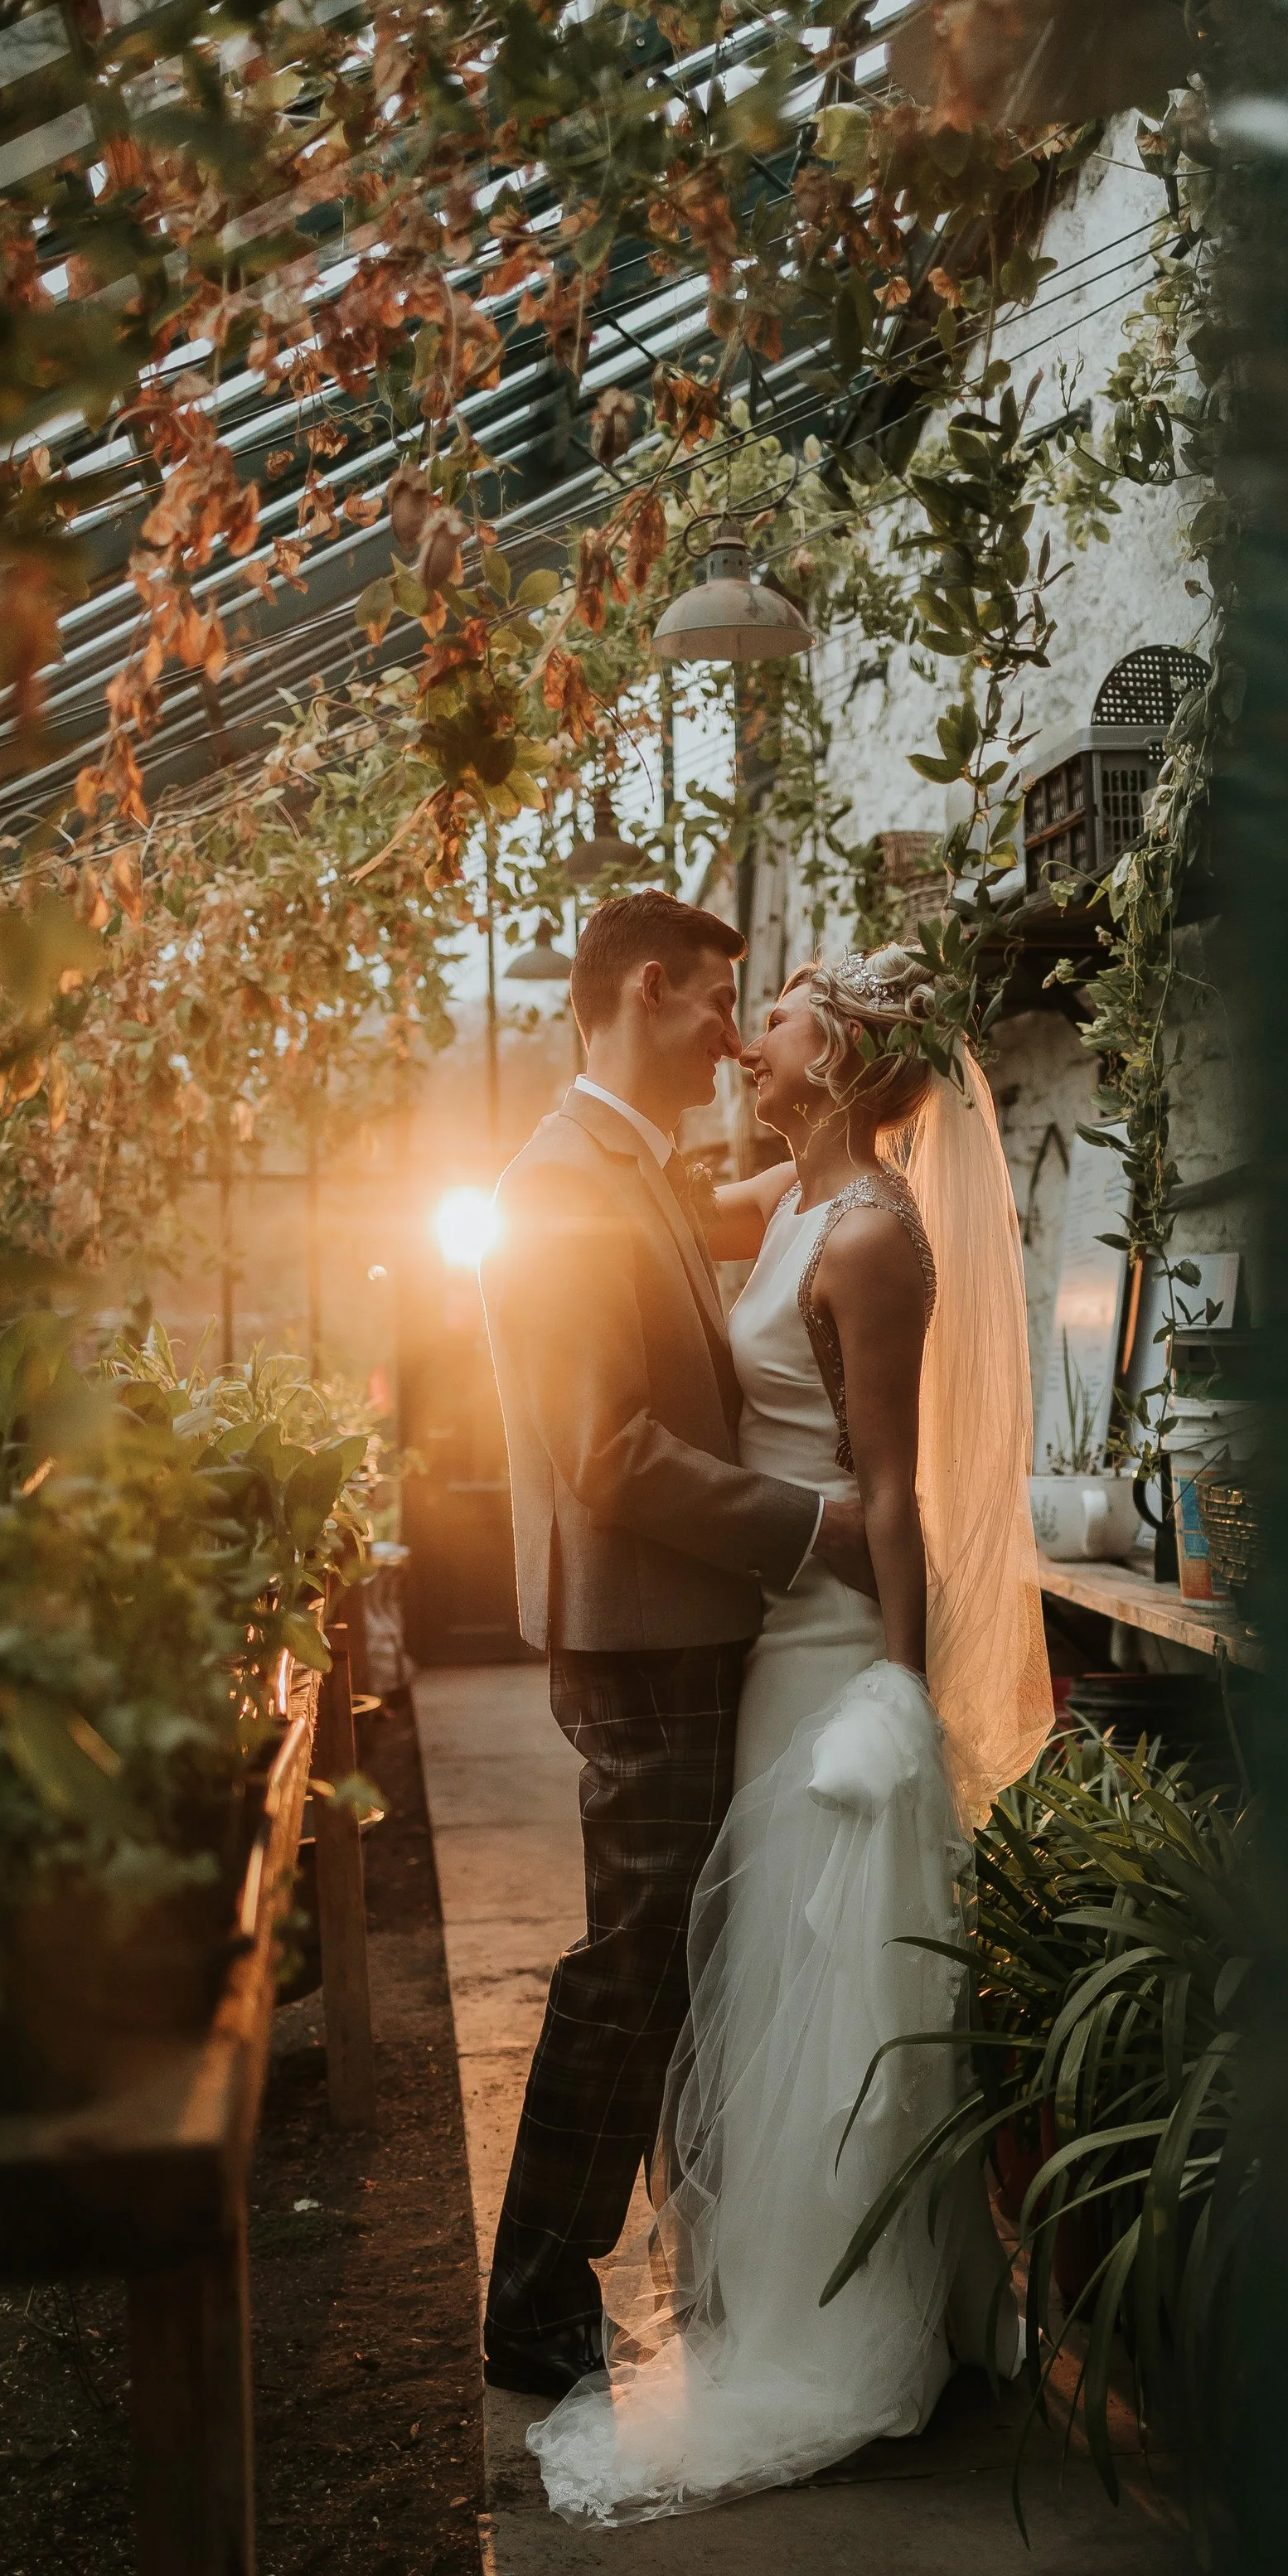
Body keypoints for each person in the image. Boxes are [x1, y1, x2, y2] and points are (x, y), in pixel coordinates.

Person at [525, 940, 1053, 2521]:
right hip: (761, 1643)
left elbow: (893, 1490)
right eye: (735, 1007)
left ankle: (857, 2308)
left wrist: (902, 1688)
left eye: (775, 1018)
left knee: (834, 1983)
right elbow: (644, 1218)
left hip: (832, 1655)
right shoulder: (791, 1201)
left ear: (834, 1064)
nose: (748, 1036)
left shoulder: (877, 1232)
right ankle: (767, 2280)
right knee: (757, 1976)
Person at [477, 890, 880, 2399]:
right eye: (720, 1003)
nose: (730, 1037)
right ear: (649, 989)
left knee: (676, 1957)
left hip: (678, 1622)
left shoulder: (626, 1163)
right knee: (631, 1962)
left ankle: (684, 2257)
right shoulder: (559, 1182)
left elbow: (751, 1226)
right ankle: (533, 2295)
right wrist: (810, 1528)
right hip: (642, 1630)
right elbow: (608, 1451)